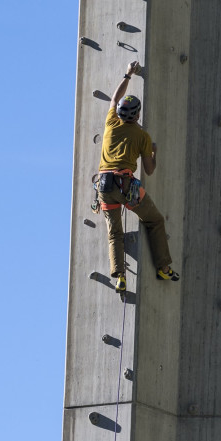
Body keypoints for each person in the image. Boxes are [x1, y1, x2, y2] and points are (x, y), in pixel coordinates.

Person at [93, 61, 177, 293]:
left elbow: (113, 99)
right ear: (138, 114)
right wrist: (153, 153)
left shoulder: (110, 123)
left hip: (104, 185)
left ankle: (120, 276)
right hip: (126, 186)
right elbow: (149, 170)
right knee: (154, 220)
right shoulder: (143, 136)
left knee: (114, 234)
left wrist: (128, 74)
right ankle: (163, 268)